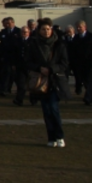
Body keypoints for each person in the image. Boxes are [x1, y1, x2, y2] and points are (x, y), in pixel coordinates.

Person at [26, 18, 70, 147]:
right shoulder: (34, 44)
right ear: (39, 31)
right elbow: (27, 62)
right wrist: (39, 68)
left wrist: (51, 69)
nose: (46, 31)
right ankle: (51, 138)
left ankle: (60, 136)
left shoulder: (59, 44)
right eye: (43, 29)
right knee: (46, 110)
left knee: (53, 108)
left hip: (55, 80)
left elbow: (64, 63)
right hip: (41, 82)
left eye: (48, 29)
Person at [69, 20, 92, 105]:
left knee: (90, 81)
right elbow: (73, 51)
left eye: (80, 27)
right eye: (77, 27)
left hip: (90, 63)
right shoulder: (75, 38)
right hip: (80, 64)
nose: (78, 29)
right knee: (85, 82)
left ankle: (88, 98)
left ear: (85, 27)